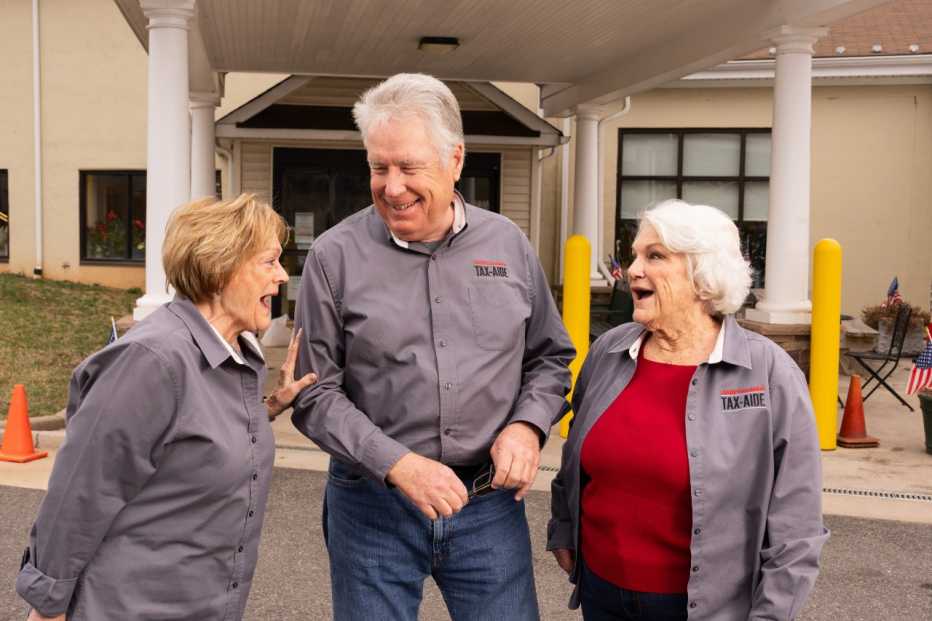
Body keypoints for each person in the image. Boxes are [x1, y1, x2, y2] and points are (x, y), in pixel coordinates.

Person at [291, 73, 575, 620]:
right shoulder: (333, 256)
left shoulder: (508, 245)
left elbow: (549, 357)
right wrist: (397, 464)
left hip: (488, 506)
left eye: (409, 167)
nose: (391, 186)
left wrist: (527, 425)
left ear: (456, 161)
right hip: (374, 504)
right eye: (379, 167)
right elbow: (313, 392)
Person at [16, 194, 317, 620]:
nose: (282, 276)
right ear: (220, 270)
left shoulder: (231, 353)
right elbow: (82, 490)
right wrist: (47, 605)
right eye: (268, 262)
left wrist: (269, 407)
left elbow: (190, 439)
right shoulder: (150, 361)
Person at [548, 199, 829, 620]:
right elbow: (576, 459)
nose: (633, 269)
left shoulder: (768, 372)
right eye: (636, 254)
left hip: (702, 608)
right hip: (602, 591)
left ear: (703, 277)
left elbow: (797, 523)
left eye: (655, 256)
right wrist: (564, 526)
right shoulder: (609, 350)